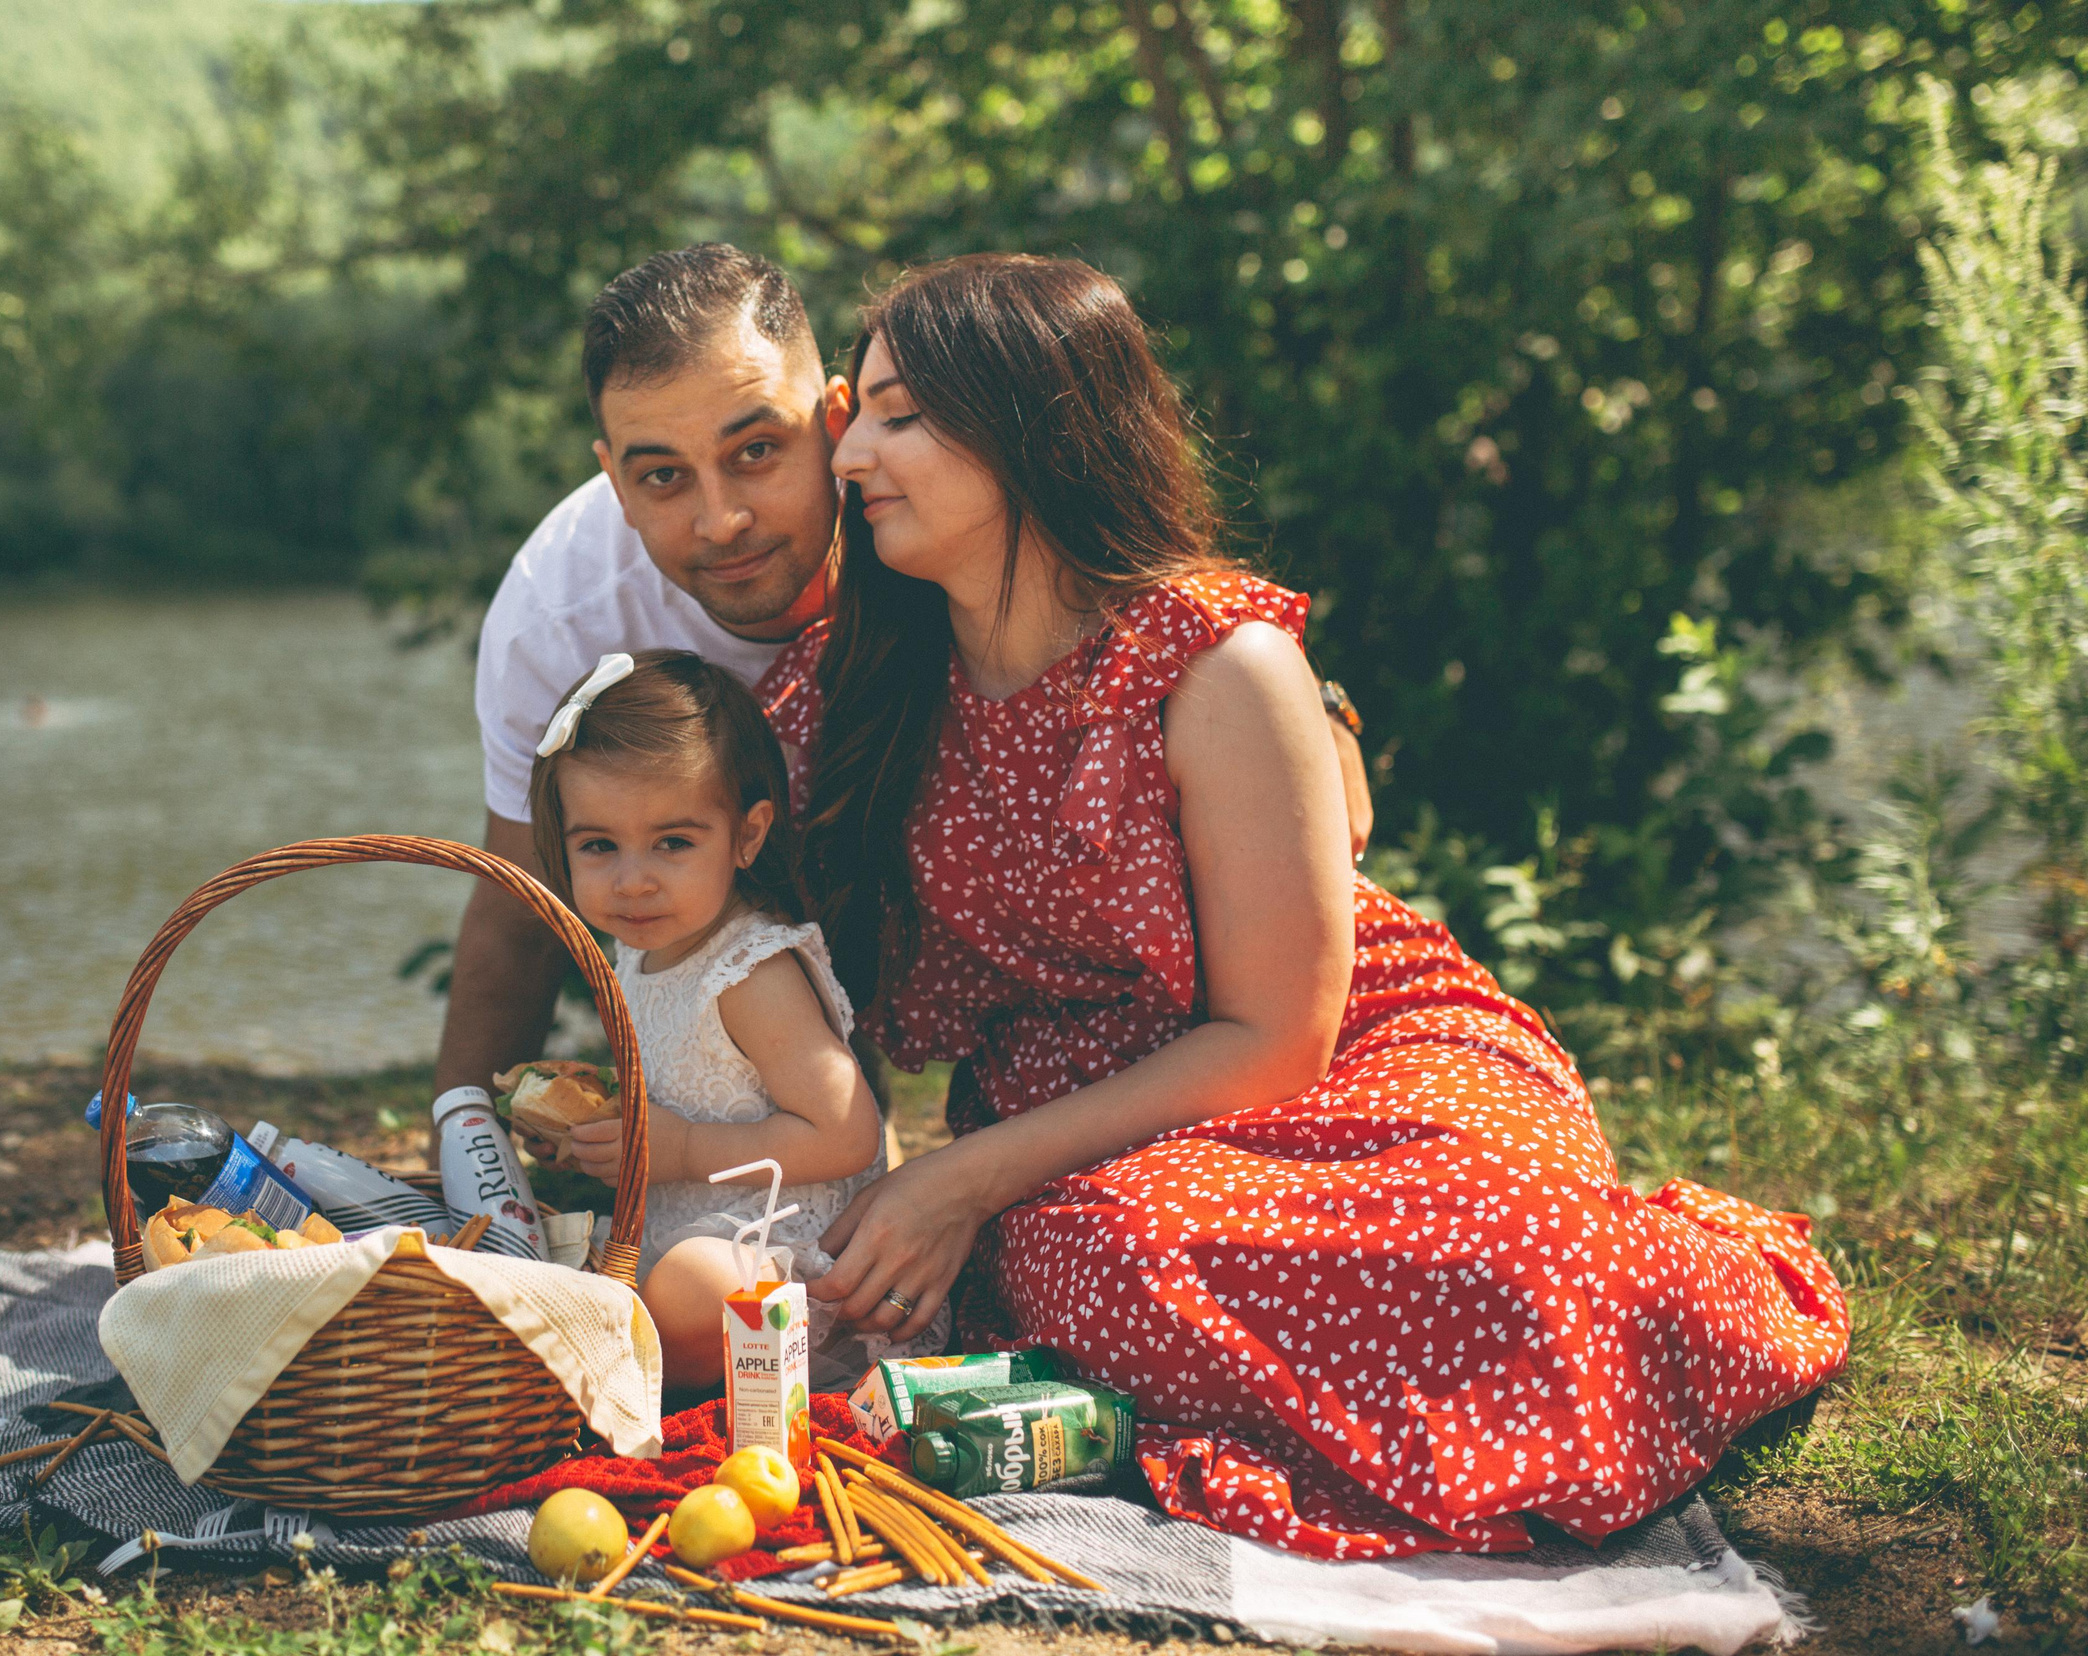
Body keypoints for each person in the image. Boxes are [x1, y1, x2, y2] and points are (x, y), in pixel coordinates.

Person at [763, 253, 1849, 1559]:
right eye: (856, 417)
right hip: (1091, 1143)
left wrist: (957, 1179)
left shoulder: (1216, 657)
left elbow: (1278, 1034)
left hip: (1353, 1062)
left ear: (1028, 428)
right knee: (1111, 1254)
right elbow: (677, 858)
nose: (851, 458)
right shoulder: (862, 683)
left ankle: (1668, 1286)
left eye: (898, 416)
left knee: (1503, 1245)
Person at [436, 244, 1375, 1102]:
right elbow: (524, 907)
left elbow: (1121, 559)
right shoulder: (564, 615)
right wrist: (466, 1142)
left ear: (834, 420)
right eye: (662, 478)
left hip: (1238, 1030)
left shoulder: (926, 499)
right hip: (883, 970)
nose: (722, 520)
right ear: (611, 475)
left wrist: (1311, 700)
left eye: (757, 452)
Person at [521, 648, 929, 1388]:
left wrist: (677, 1152)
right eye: (599, 846)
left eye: (673, 842)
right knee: (544, 1256)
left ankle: (672, 1378)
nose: (633, 878)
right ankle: (637, 1364)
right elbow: (680, 1095)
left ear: (746, 834)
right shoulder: (638, 950)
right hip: (683, 1231)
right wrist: (597, 1139)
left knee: (691, 1289)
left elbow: (847, 1133)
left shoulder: (750, 972)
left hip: (784, 1259)